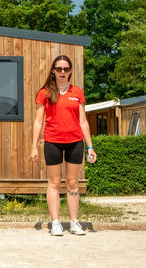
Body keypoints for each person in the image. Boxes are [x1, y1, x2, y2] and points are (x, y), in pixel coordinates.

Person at [30, 54, 96, 236]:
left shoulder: (78, 92)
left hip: (75, 142)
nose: (62, 72)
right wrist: (34, 146)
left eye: (66, 69)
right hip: (52, 142)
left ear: (70, 71)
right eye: (59, 69)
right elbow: (38, 121)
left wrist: (90, 146)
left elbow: (83, 121)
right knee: (54, 182)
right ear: (53, 70)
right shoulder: (44, 92)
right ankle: (56, 222)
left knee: (73, 183)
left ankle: (74, 222)